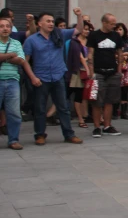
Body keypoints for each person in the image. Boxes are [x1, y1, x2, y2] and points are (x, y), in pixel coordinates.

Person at [23, 9, 84, 145]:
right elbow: (25, 61)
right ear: (39, 24)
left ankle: (69, 134)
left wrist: (79, 16)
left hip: (58, 76)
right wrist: (32, 77)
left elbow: (78, 29)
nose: (51, 24)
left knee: (63, 107)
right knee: (40, 108)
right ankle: (40, 134)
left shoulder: (59, 34)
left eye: (52, 21)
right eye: (48, 21)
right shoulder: (31, 40)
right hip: (41, 78)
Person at [0, 17, 39, 150]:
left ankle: (13, 140)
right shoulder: (13, 48)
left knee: (14, 113)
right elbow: (15, 57)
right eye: (2, 26)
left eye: (7, 26)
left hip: (12, 81)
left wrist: (5, 57)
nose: (5, 28)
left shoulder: (16, 42)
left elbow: (21, 60)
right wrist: (10, 55)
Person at [86, 14, 125, 138]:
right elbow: (90, 54)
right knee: (97, 101)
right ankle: (97, 127)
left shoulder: (116, 36)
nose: (114, 26)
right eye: (112, 24)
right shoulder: (94, 35)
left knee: (110, 100)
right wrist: (91, 72)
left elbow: (120, 53)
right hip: (98, 71)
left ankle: (107, 126)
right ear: (104, 22)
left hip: (113, 72)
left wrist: (119, 70)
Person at [65, 20, 92, 129]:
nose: (87, 31)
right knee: (76, 94)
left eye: (88, 29)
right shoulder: (73, 41)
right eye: (85, 29)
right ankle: (80, 118)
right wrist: (87, 66)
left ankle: (85, 116)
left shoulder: (89, 42)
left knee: (83, 95)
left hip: (87, 71)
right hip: (77, 72)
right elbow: (80, 57)